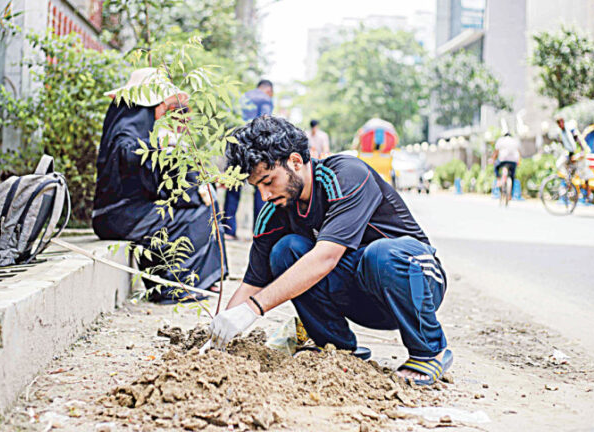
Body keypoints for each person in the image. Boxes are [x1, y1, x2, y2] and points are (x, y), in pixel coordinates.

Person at [209, 116, 452, 385]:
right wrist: (220, 334)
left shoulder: (345, 175)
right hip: (360, 300)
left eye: (269, 181)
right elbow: (251, 284)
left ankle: (429, 351)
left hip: (415, 283)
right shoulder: (274, 211)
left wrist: (254, 309)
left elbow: (326, 258)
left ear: (295, 162)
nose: (264, 195)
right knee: (286, 250)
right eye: (258, 187)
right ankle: (335, 346)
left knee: (379, 255)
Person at [92, 68, 228, 303]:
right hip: (119, 216)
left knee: (201, 202)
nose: (161, 114)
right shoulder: (125, 137)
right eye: (161, 108)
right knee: (201, 211)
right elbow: (135, 160)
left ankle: (181, 281)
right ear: (147, 107)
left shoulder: (126, 128)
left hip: (126, 213)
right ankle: (175, 285)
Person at [222, 79, 274, 240]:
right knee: (260, 188)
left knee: (233, 189)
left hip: (236, 146)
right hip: (255, 149)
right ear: (269, 90)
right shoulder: (266, 99)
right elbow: (265, 123)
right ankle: (258, 231)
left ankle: (228, 231)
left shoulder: (243, 97)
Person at [556, 118, 594, 204]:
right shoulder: (563, 135)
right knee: (569, 175)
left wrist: (578, 155)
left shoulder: (576, 136)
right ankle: (566, 195)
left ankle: (586, 196)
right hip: (573, 158)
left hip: (581, 159)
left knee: (584, 176)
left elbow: (583, 149)